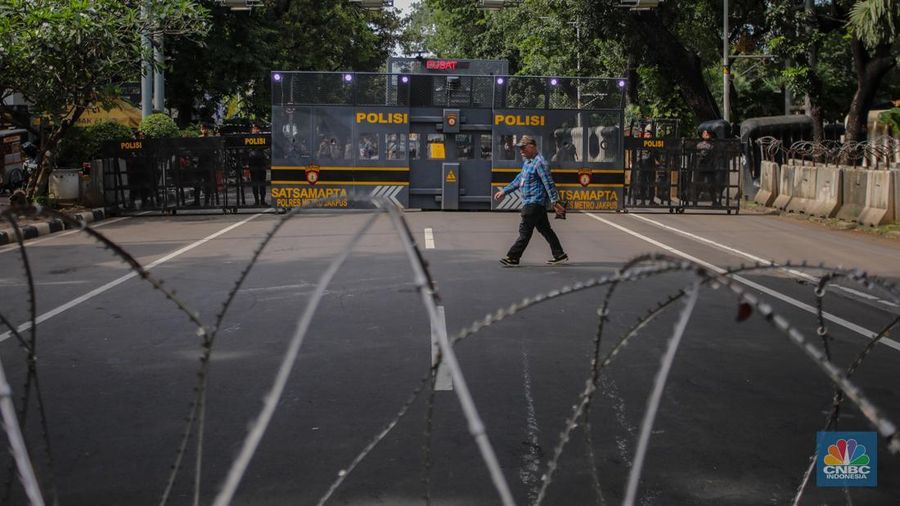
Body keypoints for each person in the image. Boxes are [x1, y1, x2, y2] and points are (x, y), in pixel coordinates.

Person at [493, 135, 568, 266]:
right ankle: (559, 254)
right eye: (520, 148)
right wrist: (504, 191)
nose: (521, 150)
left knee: (525, 231)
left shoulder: (540, 163)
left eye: (523, 148)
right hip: (531, 202)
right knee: (546, 230)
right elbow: (519, 179)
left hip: (534, 202)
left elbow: (548, 183)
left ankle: (513, 257)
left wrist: (555, 201)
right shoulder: (528, 162)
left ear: (532, 147)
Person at [248, 123, 269, 206]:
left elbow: (267, 149)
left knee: (262, 182)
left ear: (259, 130)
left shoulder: (263, 138)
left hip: (261, 162)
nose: (255, 130)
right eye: (253, 129)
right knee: (254, 182)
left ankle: (263, 200)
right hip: (252, 163)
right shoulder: (248, 139)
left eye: (256, 128)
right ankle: (256, 200)